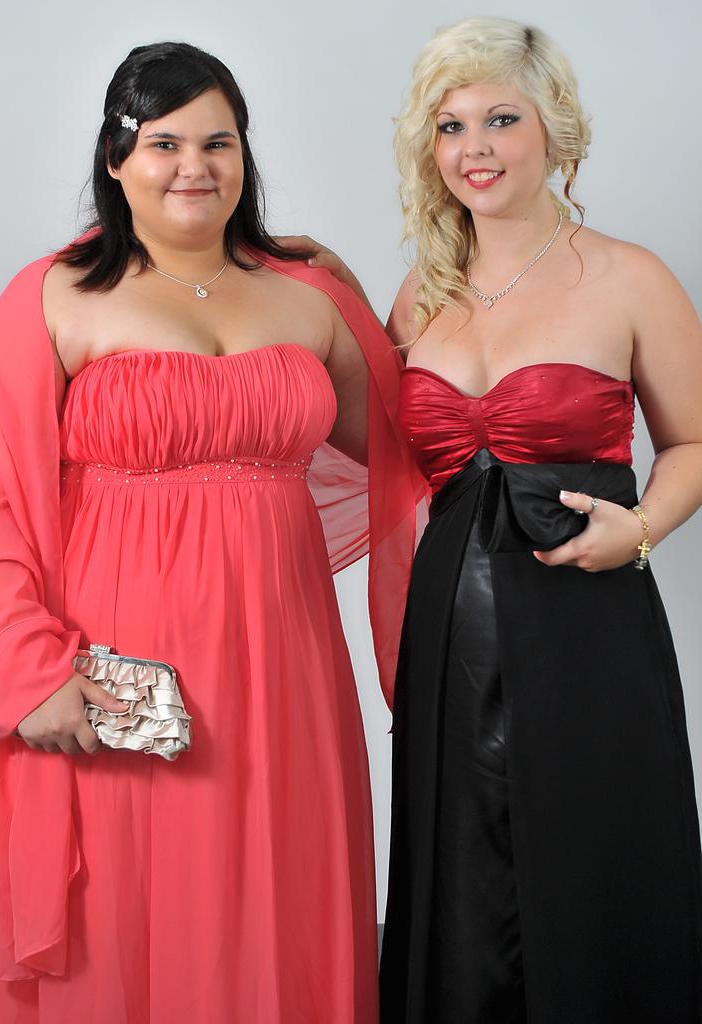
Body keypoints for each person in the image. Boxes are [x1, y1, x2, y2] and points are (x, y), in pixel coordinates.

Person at [0, 42, 422, 1023]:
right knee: (125, 906)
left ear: (246, 157)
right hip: (115, 663)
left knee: (274, 890)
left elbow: (405, 451)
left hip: (280, 663)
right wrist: (31, 672)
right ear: (116, 158)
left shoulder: (307, 297)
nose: (193, 165)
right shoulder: (55, 294)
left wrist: (396, 303)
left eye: (219, 141)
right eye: (163, 142)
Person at [294, 16, 702, 1023]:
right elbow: (380, 450)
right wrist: (331, 292)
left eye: (501, 119)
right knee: (464, 868)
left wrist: (640, 528)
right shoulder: (417, 294)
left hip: (587, 610)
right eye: (450, 126)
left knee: (592, 850)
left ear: (555, 129)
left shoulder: (631, 275)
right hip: (448, 630)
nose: (474, 148)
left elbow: (693, 445)